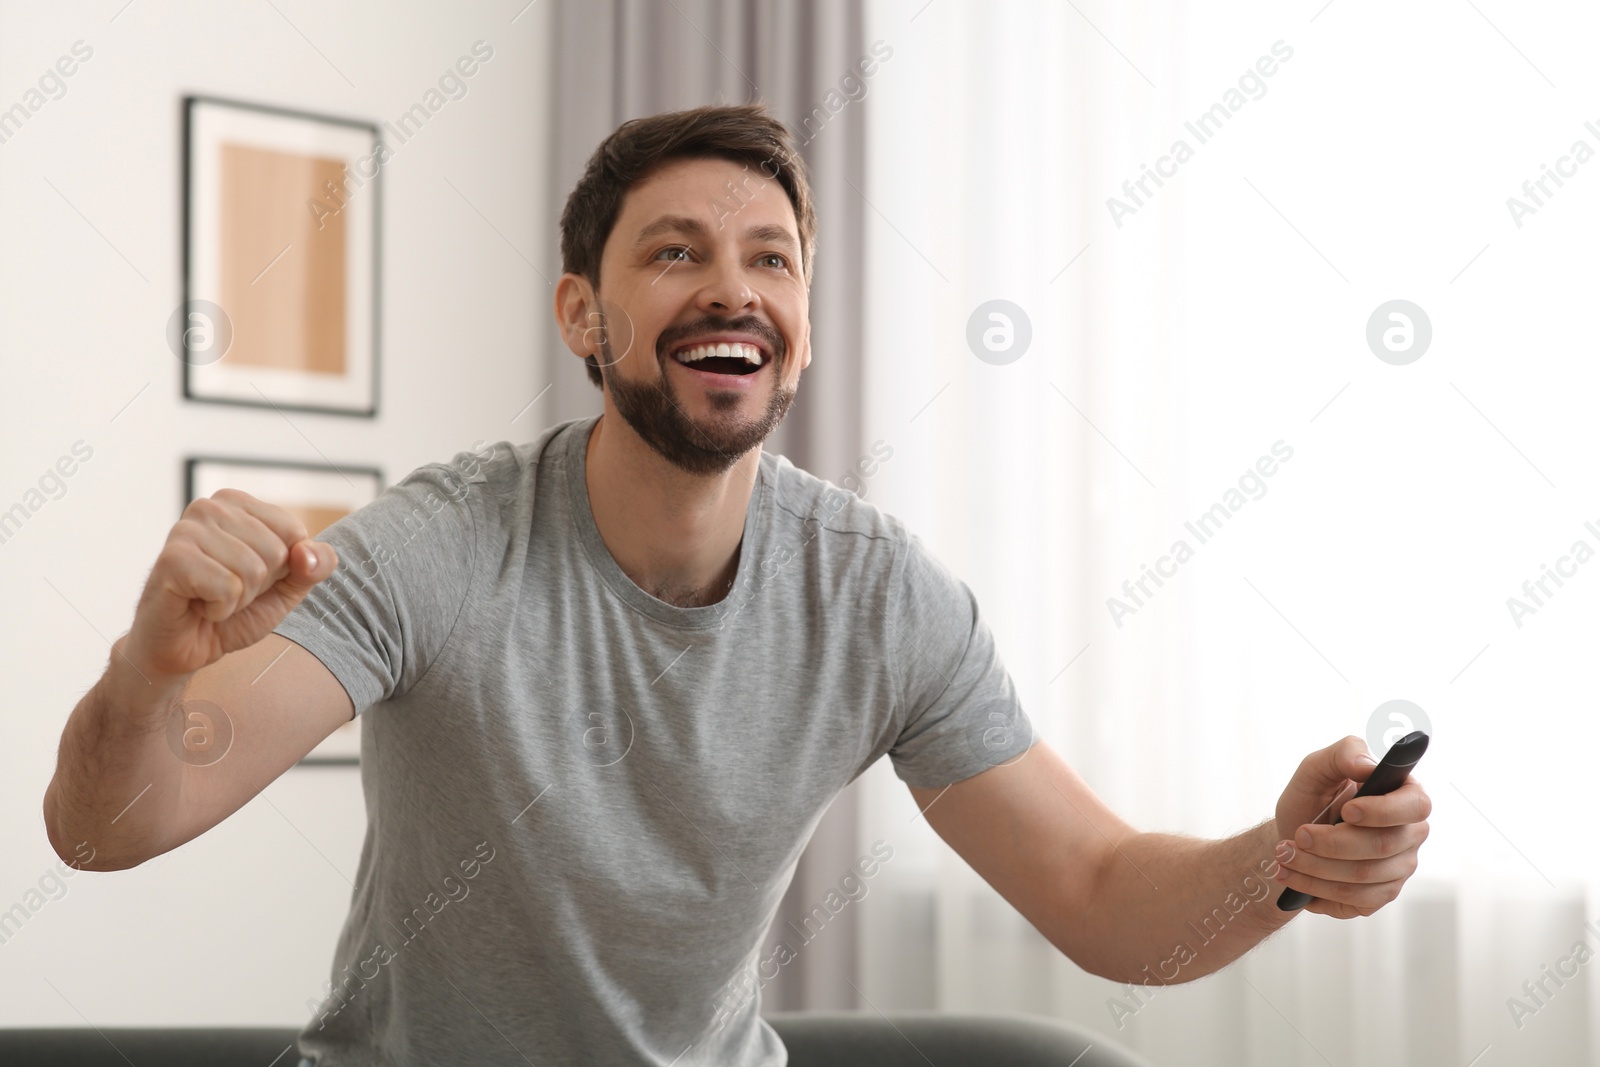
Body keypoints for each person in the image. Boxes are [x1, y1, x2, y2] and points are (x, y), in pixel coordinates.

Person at [42, 103, 1430, 1066]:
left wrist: (1286, 863)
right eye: (675, 253)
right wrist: (150, 672)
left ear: (804, 331)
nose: (733, 288)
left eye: (771, 260)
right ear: (585, 317)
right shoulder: (439, 544)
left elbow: (1105, 896)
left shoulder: (881, 598)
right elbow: (107, 830)